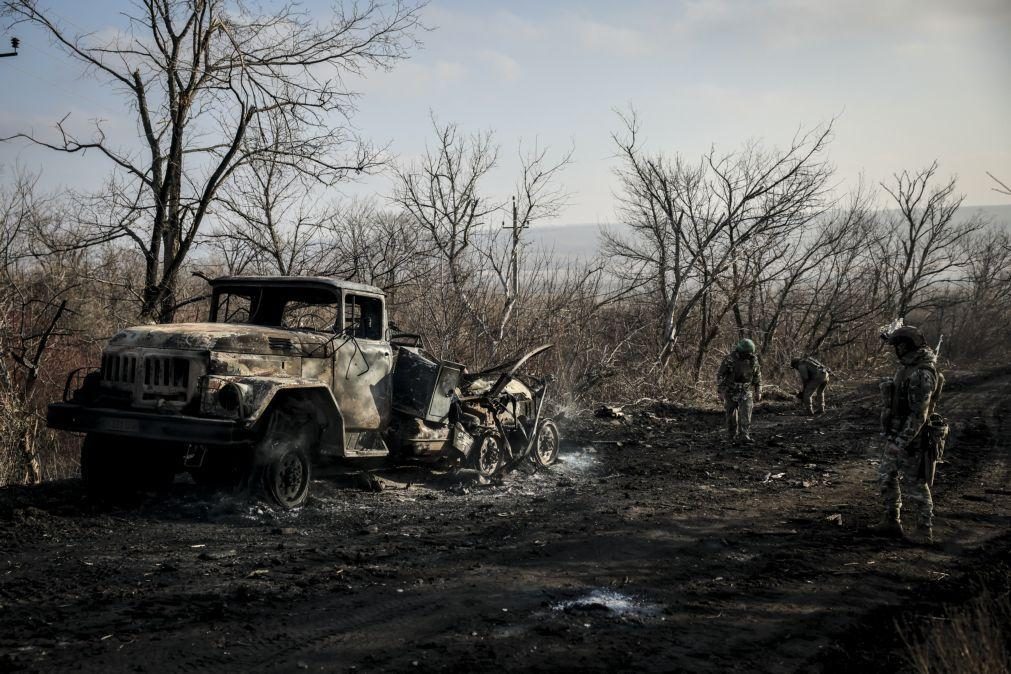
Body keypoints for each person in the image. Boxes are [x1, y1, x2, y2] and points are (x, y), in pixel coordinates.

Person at [873, 325, 947, 544]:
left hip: (913, 437)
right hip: (896, 432)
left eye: (898, 345)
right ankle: (890, 522)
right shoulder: (908, 367)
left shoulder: (923, 373)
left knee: (915, 484)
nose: (896, 350)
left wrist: (901, 442)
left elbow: (919, 415)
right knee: (886, 475)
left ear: (906, 346)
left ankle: (925, 530)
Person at [716, 338, 762, 444]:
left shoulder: (753, 360)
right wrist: (721, 391)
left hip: (746, 391)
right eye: (746, 353)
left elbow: (757, 376)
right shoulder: (730, 360)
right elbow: (721, 375)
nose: (748, 354)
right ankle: (731, 435)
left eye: (749, 353)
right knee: (731, 415)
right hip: (731, 390)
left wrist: (758, 391)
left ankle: (744, 435)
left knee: (746, 413)